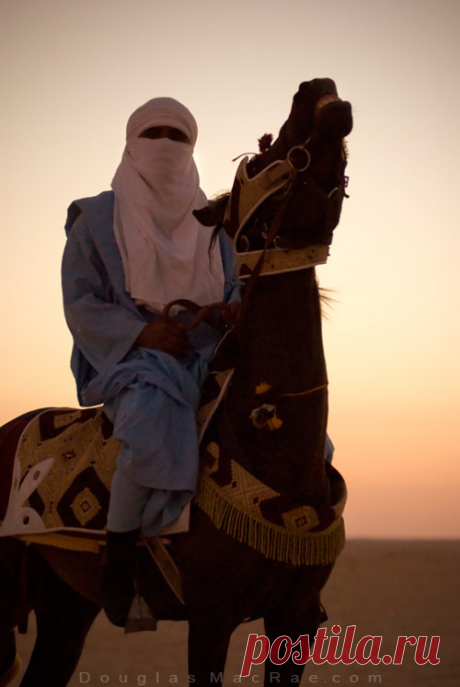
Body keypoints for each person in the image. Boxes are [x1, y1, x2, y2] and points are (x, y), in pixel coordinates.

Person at [62, 97, 241, 627]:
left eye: (177, 136)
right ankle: (120, 562)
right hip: (132, 356)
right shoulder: (95, 217)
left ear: (192, 149)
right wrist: (144, 331)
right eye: (153, 133)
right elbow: (81, 301)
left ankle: (294, 571)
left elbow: (236, 287)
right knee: (147, 416)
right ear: (131, 143)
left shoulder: (218, 222)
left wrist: (230, 310)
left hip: (209, 350)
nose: (164, 145)